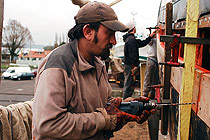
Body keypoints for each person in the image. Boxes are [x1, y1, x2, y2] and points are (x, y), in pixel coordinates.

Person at [32, 2, 153, 140]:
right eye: (109, 33)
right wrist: (105, 120)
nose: (114, 41)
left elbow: (102, 106)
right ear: (88, 32)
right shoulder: (59, 65)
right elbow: (48, 124)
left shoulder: (97, 63)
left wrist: (128, 108)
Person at [122, 21, 156, 100]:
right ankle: (126, 101)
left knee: (129, 83)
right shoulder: (131, 40)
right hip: (130, 65)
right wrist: (135, 65)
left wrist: (150, 37)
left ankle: (126, 100)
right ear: (133, 28)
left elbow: (141, 43)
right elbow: (133, 54)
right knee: (129, 84)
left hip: (128, 65)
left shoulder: (130, 39)